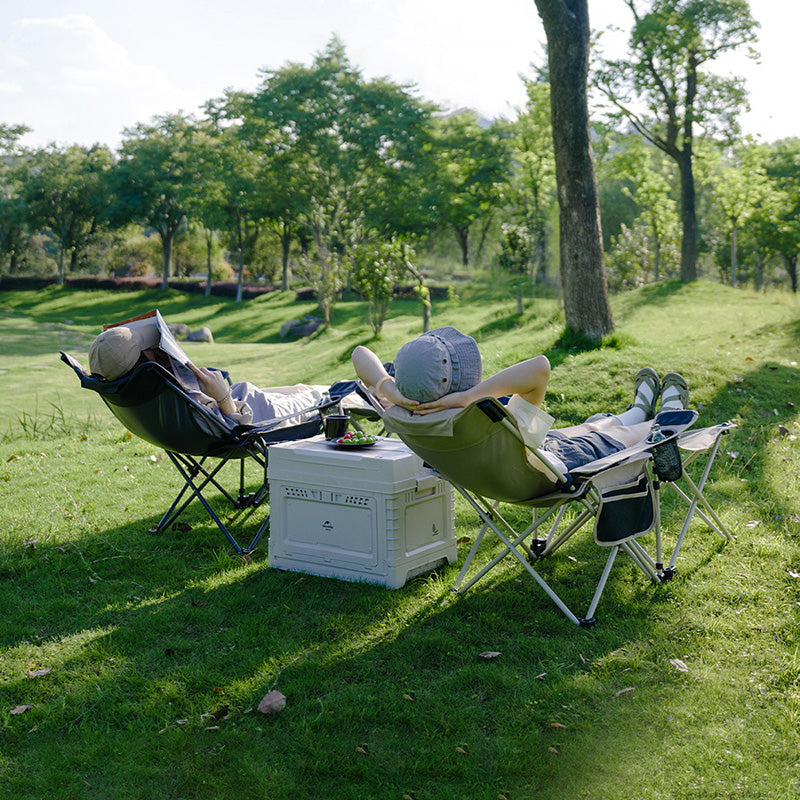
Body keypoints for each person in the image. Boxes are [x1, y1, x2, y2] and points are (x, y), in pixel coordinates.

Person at [351, 326, 690, 473]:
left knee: (589, 426)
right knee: (614, 437)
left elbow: (360, 353)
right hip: (538, 469)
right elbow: (540, 368)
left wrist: (387, 387)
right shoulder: (479, 414)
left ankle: (635, 410)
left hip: (497, 465)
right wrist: (468, 397)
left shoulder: (399, 409)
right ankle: (661, 421)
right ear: (460, 384)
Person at [88, 324, 329, 429]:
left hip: (250, 398)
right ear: (144, 361)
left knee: (301, 388)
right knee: (333, 395)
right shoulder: (174, 398)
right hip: (262, 415)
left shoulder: (146, 395)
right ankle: (364, 393)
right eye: (150, 348)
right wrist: (223, 395)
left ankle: (362, 390)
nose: (157, 349)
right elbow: (237, 427)